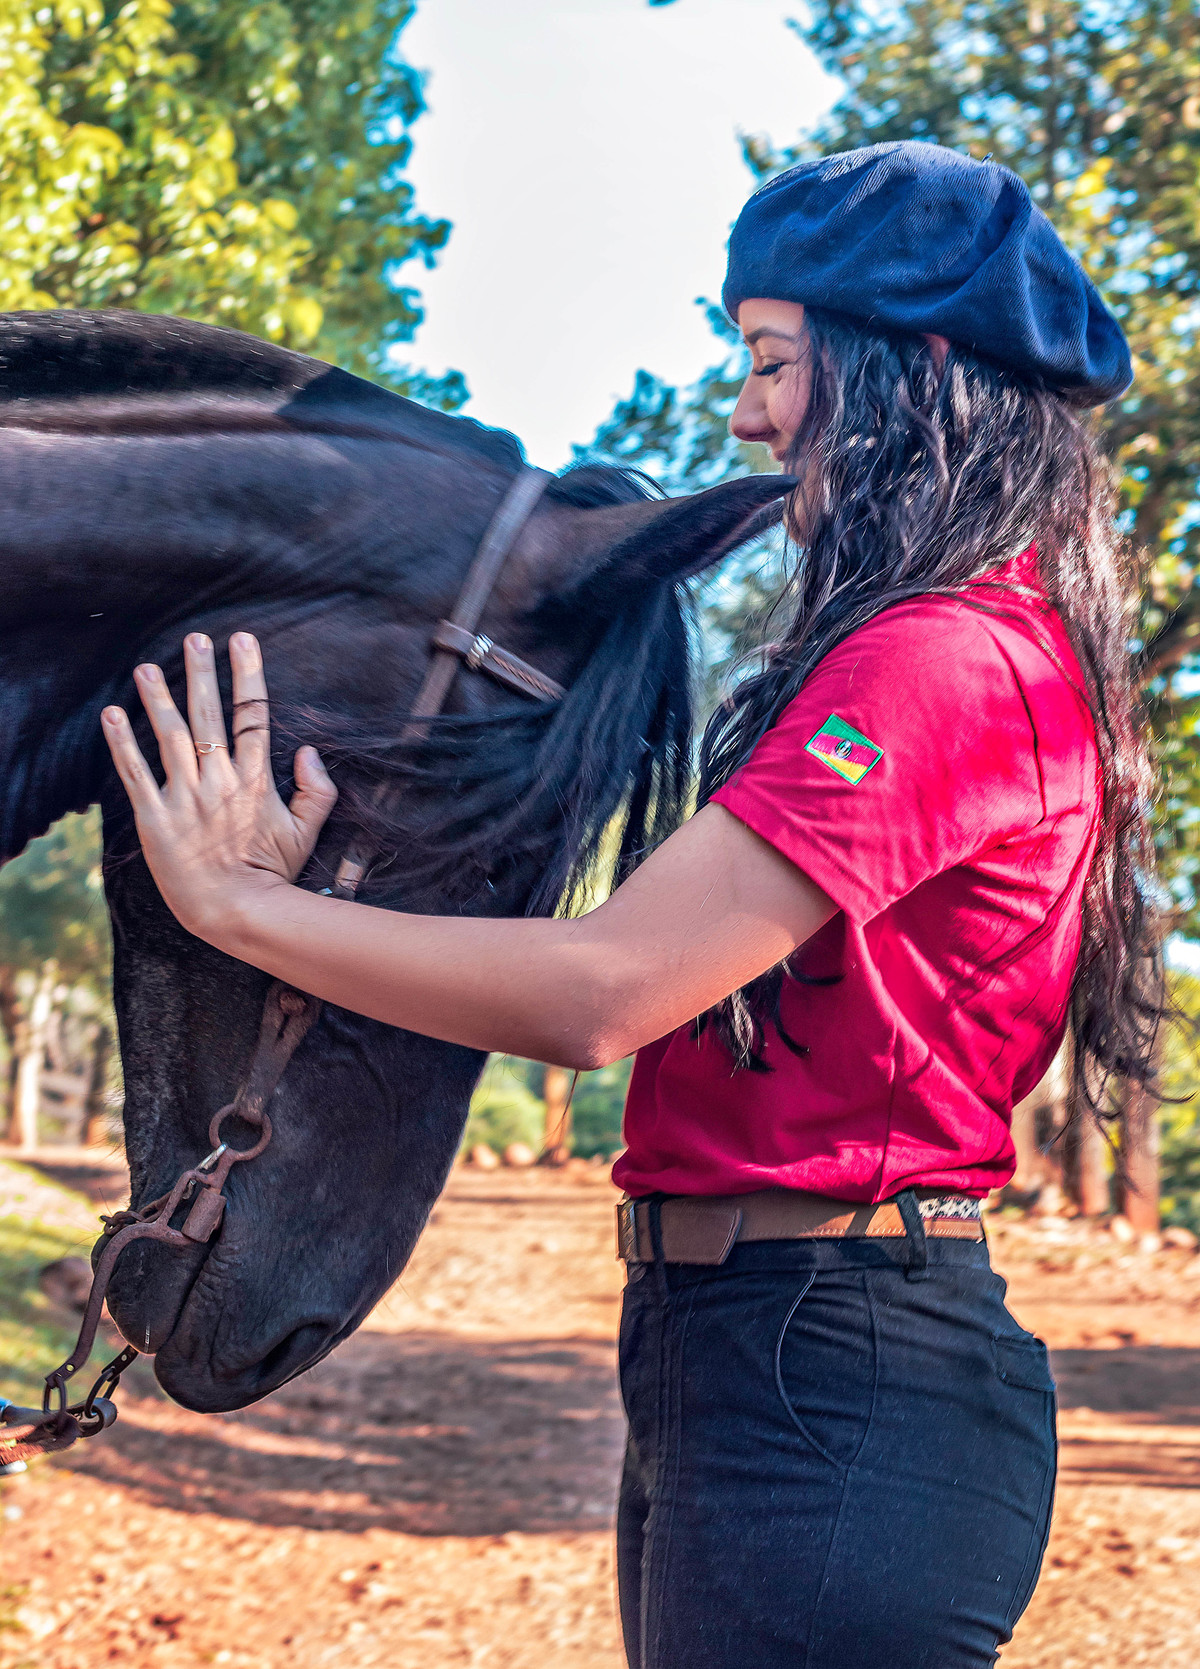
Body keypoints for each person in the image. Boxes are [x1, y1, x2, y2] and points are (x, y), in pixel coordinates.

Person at [101, 143, 1162, 1668]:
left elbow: (604, 990)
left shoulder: (943, 661)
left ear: (919, 366)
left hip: (831, 1368)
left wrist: (238, 907)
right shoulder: (954, 645)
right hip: (760, 1346)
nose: (745, 415)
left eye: (775, 362)